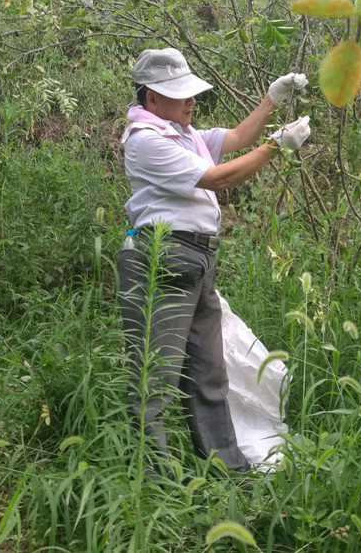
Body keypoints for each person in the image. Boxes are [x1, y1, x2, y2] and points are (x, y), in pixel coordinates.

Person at [118, 47, 310, 477]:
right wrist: (278, 147)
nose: (191, 101)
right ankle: (152, 481)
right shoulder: (147, 141)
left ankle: (227, 468)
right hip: (162, 259)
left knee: (209, 372)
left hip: (197, 262)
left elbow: (238, 140)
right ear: (151, 99)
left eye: (190, 92)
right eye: (179, 94)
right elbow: (219, 178)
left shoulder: (184, 133)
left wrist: (271, 100)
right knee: (157, 377)